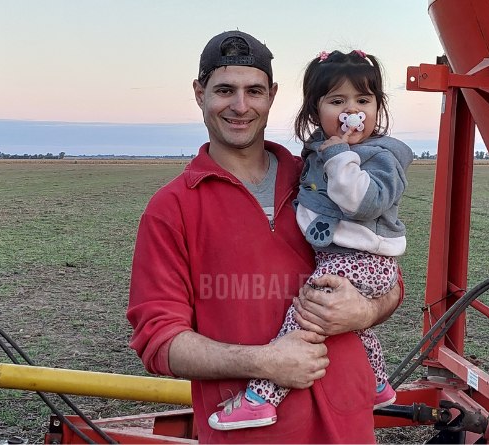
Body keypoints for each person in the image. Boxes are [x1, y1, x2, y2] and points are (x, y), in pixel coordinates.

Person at [126, 31, 403, 444]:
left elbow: (391, 282)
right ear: (199, 93)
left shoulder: (320, 178)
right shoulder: (171, 208)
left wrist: (363, 313)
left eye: (254, 91)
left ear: (272, 95)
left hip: (348, 427)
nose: (240, 106)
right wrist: (266, 361)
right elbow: (158, 341)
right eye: (224, 90)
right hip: (251, 434)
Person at [207, 49, 414, 432]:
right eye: (337, 101)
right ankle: (379, 383)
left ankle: (261, 397)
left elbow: (361, 202)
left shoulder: (375, 157)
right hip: (350, 258)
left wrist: (338, 155)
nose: (351, 111)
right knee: (353, 325)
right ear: (314, 110)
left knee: (306, 311)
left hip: (359, 260)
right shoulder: (315, 156)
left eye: (363, 101)